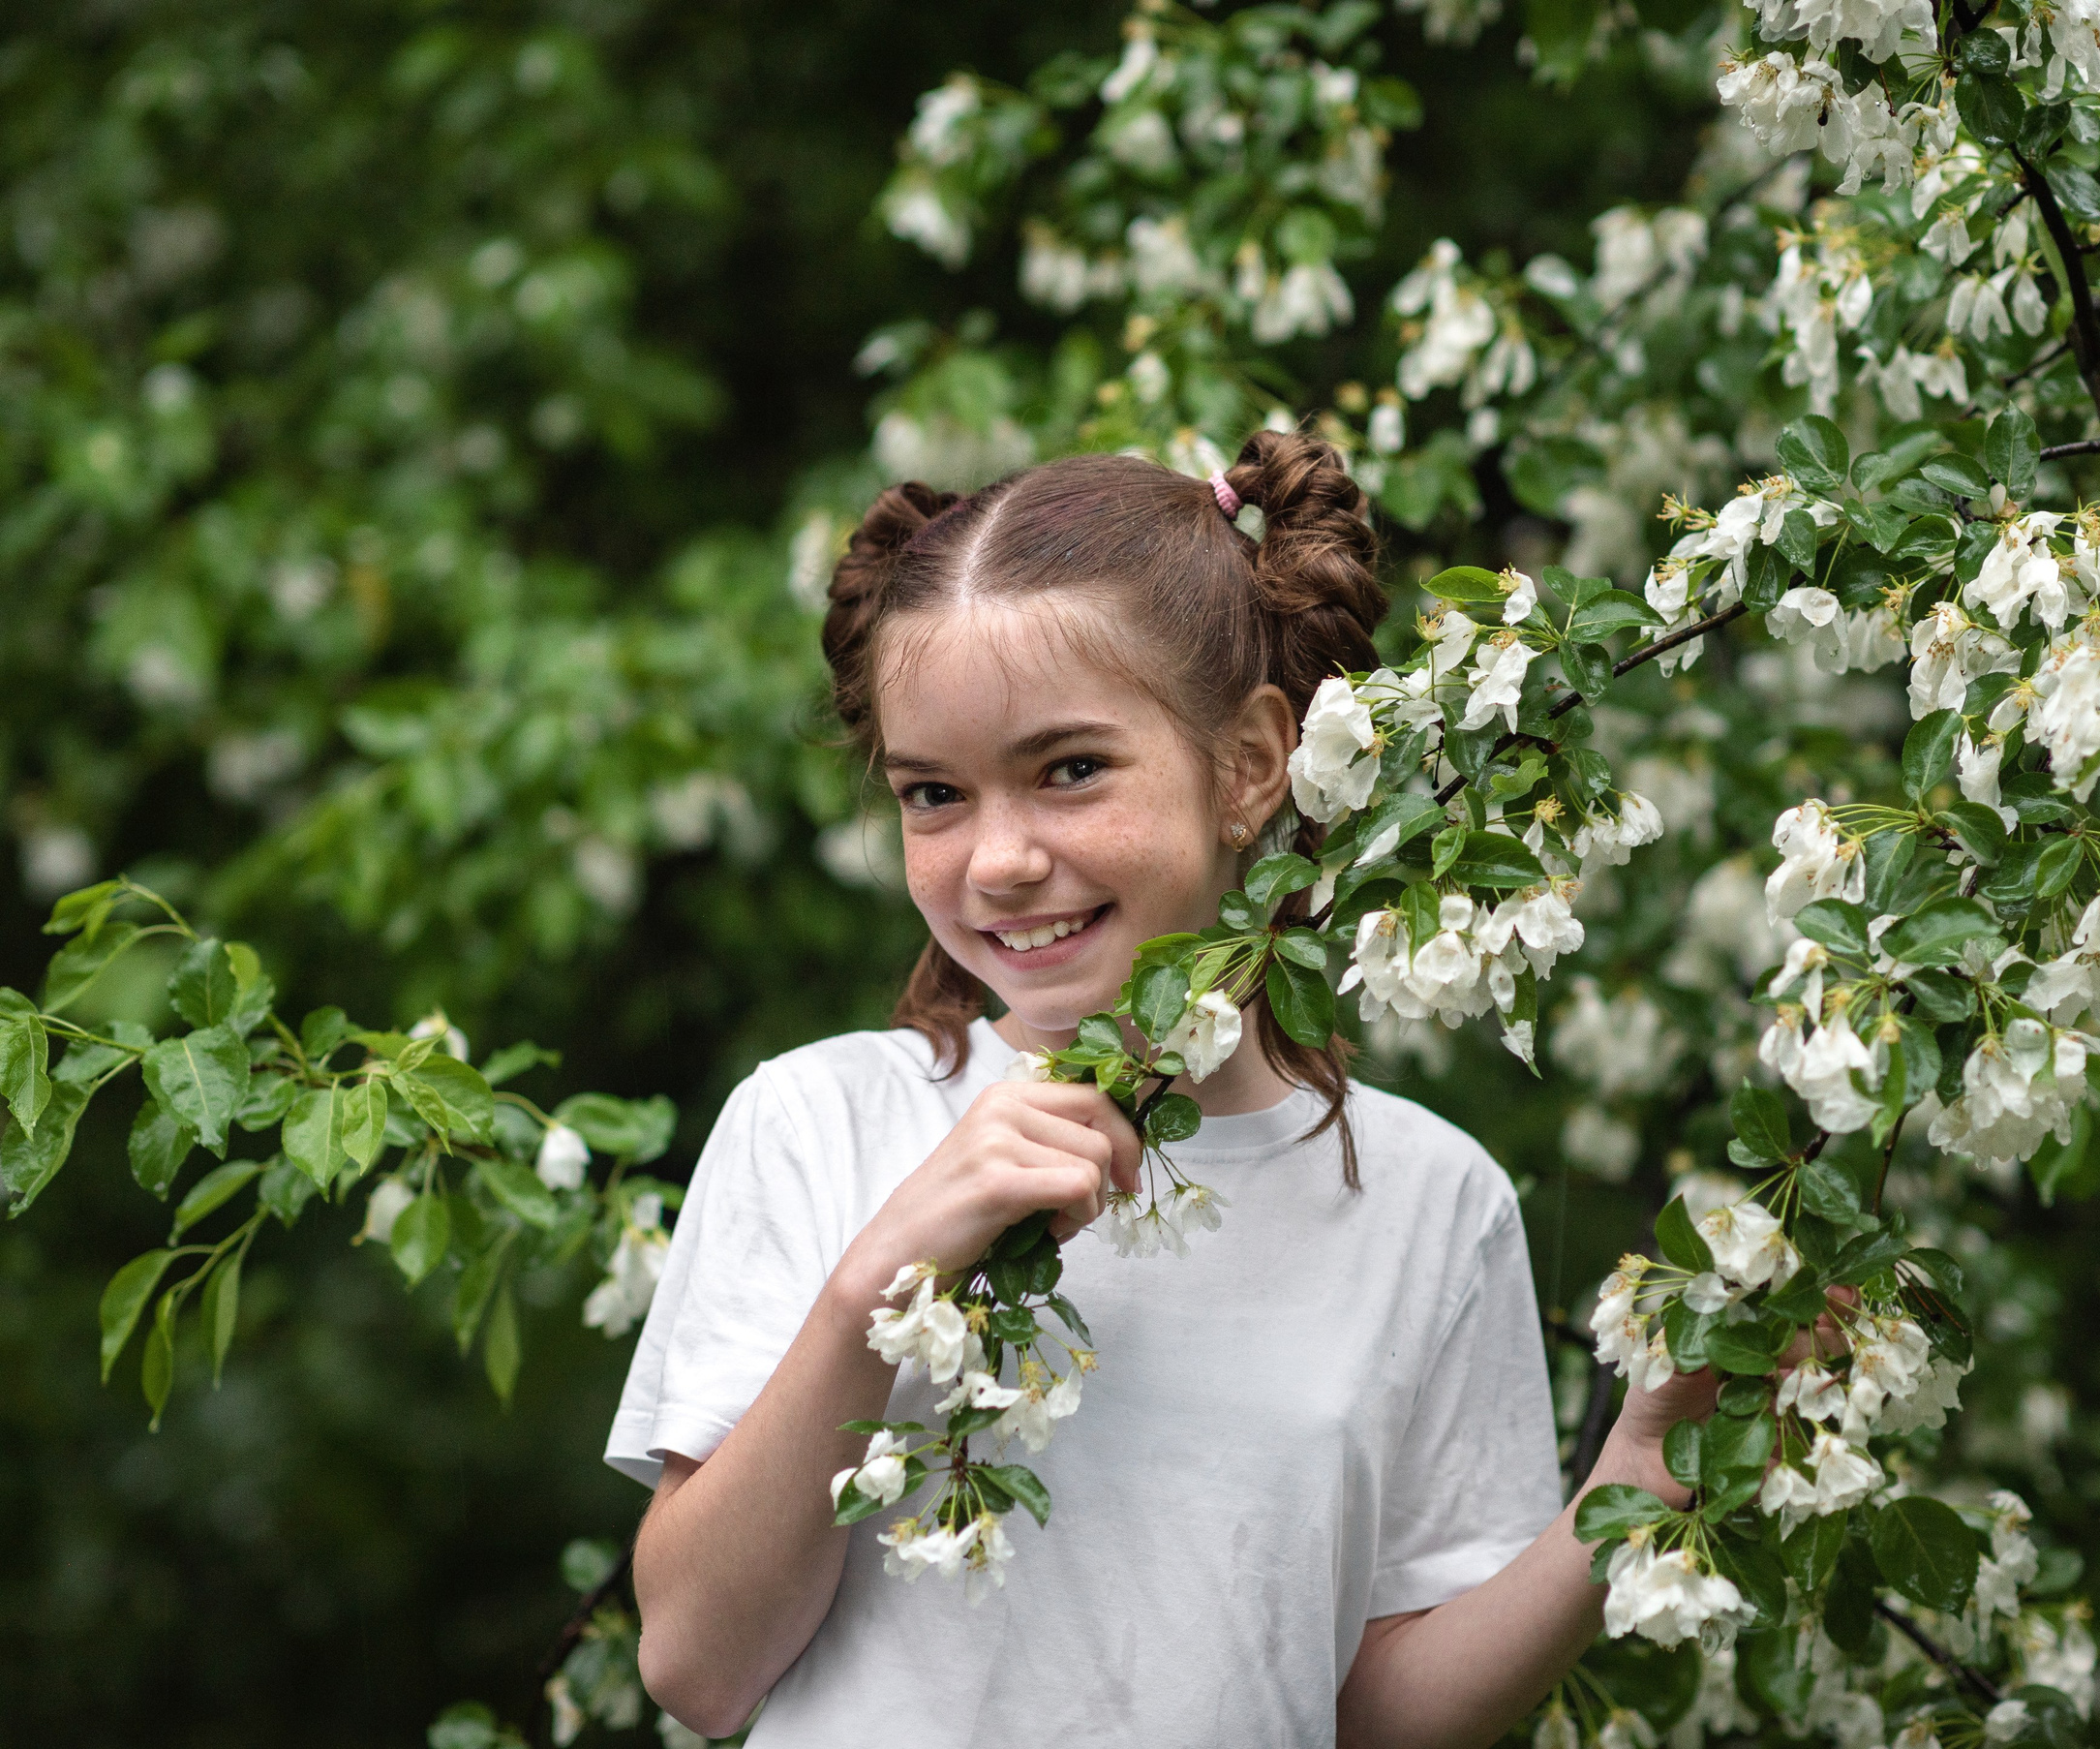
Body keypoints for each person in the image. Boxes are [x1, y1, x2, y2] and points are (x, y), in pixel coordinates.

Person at [605, 431, 1709, 1747]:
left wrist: (1640, 1470)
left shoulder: (1425, 1198)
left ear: (1248, 765)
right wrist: (883, 1273)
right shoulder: (815, 1122)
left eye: (1070, 769)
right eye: (934, 793)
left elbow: (1378, 1716)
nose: (1000, 859)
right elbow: (695, 1665)